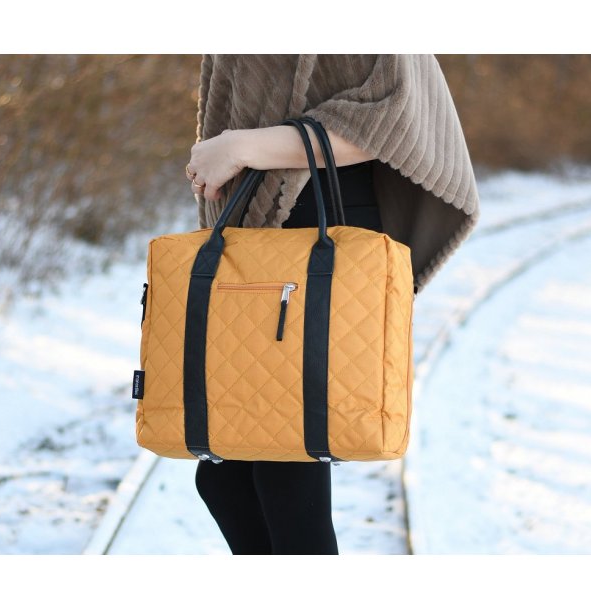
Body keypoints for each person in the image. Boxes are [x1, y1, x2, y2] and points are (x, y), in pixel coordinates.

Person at [185, 54, 480, 555]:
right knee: (227, 480)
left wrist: (240, 146)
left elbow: (388, 120)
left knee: (282, 475)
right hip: (255, 225)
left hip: (317, 219)